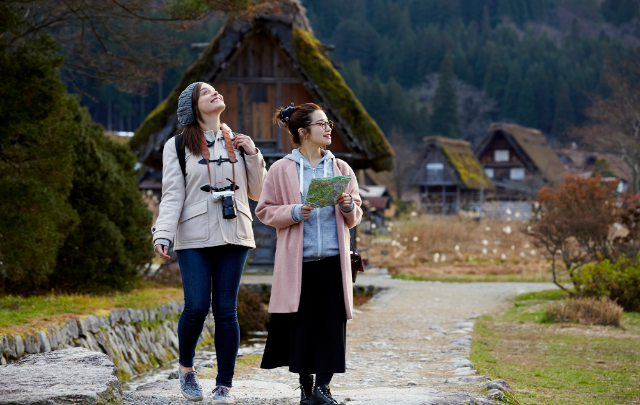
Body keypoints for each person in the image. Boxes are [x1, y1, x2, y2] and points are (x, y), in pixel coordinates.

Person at [152, 82, 267, 404]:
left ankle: (223, 385)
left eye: (216, 90)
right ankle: (186, 369)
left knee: (226, 310)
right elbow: (172, 194)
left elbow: (259, 193)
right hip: (193, 235)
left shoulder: (240, 142)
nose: (215, 93)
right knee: (197, 306)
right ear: (193, 106)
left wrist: (253, 155)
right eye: (206, 92)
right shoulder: (177, 145)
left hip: (235, 232)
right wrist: (163, 233)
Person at [255, 103, 363, 405]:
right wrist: (293, 212)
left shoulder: (341, 168)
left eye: (329, 123)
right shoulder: (281, 169)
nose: (328, 128)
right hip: (297, 262)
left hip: (333, 260)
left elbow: (356, 213)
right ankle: (305, 388)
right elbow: (264, 211)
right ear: (303, 132)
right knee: (301, 325)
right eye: (321, 124)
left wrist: (347, 206)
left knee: (331, 325)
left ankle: (323, 388)